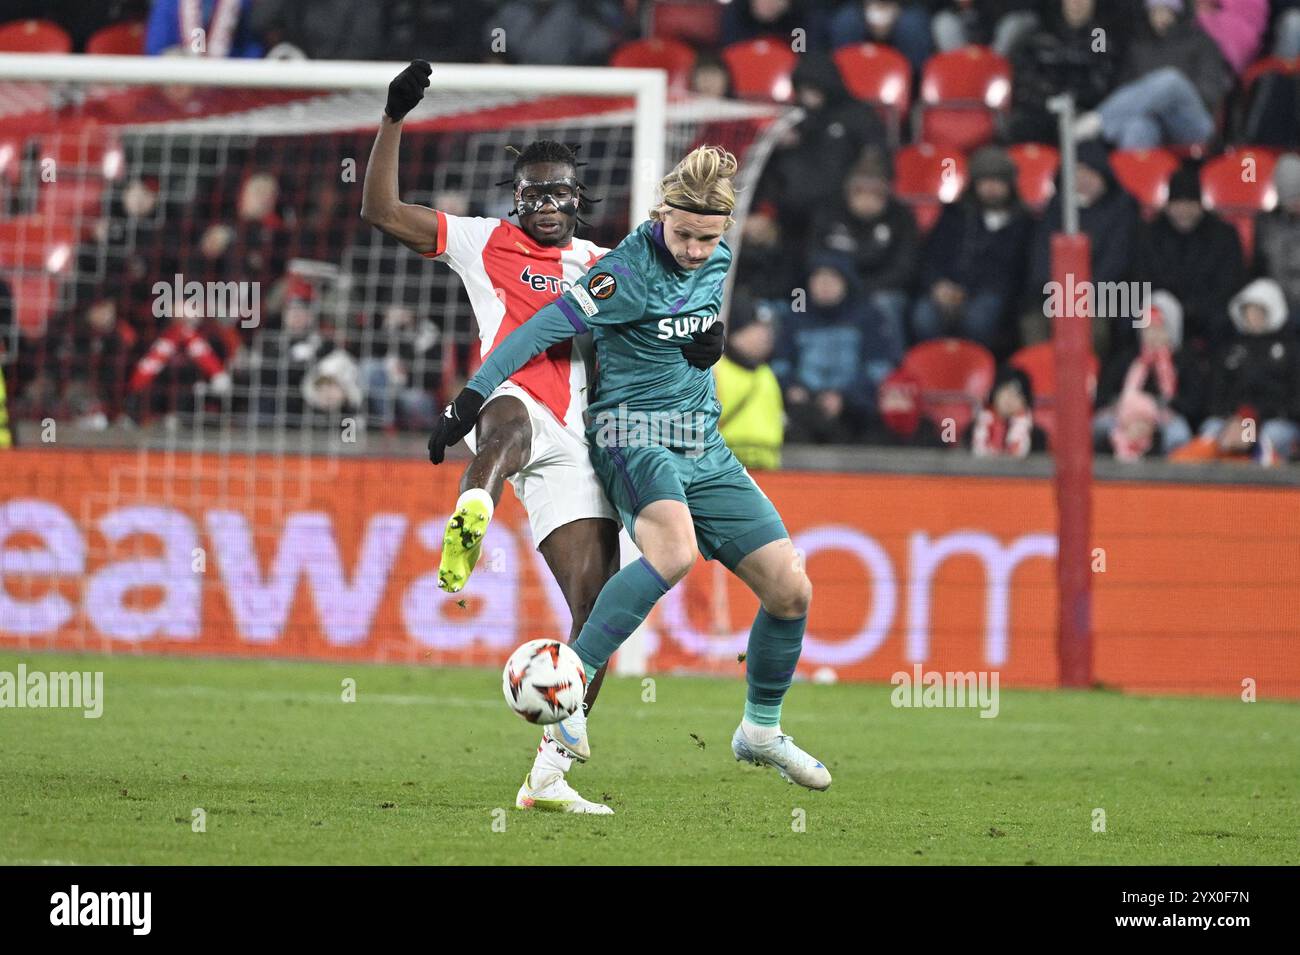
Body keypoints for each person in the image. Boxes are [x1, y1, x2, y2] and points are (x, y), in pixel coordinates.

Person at [361, 62, 724, 814]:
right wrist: (393, 118)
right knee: (507, 422)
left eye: (560, 192)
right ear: (516, 198)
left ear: (578, 199)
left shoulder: (601, 262)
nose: (548, 204)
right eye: (533, 193)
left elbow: (663, 327)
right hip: (505, 399)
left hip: (581, 440)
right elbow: (382, 210)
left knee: (595, 615)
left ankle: (549, 775)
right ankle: (473, 514)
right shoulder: (479, 240)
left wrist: (698, 344)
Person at [429, 146, 831, 801]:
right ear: (661, 215)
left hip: (701, 440)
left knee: (791, 590)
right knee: (672, 551)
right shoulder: (623, 272)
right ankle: (570, 681)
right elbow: (543, 330)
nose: (698, 250)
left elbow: (687, 326)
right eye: (685, 234)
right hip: (630, 434)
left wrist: (710, 344)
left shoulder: (718, 257)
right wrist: (472, 395)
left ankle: (760, 729)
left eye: (709, 237)